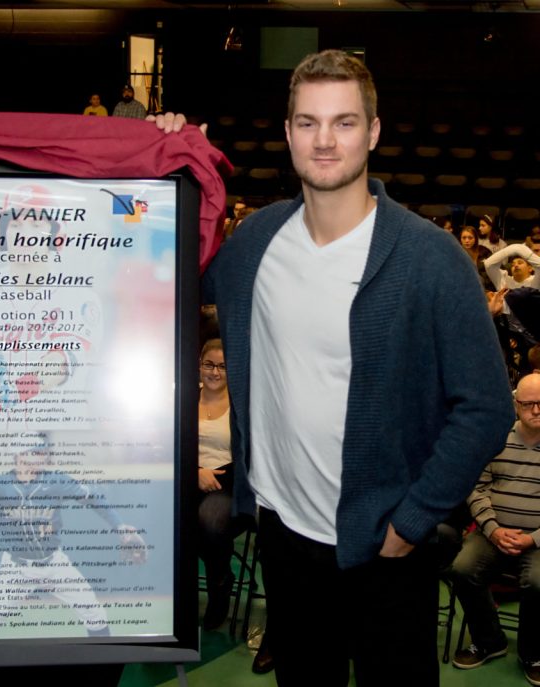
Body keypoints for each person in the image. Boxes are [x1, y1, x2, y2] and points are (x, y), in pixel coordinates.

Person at [153, 49, 514, 686]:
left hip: (386, 547)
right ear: (288, 131)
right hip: (284, 537)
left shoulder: (430, 260)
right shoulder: (255, 245)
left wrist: (414, 518)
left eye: (344, 122)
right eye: (308, 122)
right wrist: (167, 158)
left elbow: (486, 406)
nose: (324, 141)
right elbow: (169, 262)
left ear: (373, 132)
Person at [0, 435, 146, 640]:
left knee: (95, 615)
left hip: (55, 565)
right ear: (20, 456)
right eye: (37, 452)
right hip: (16, 570)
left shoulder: (55, 481)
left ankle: (106, 664)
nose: (43, 456)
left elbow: (93, 498)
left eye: (44, 452)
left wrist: (119, 525)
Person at [450, 374, 540, 685]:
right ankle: (490, 641)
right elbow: (477, 487)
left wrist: (533, 538)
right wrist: (493, 529)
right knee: (462, 569)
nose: (536, 410)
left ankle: (532, 653)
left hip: (538, 540)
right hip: (493, 532)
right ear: (516, 406)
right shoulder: (495, 438)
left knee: (539, 582)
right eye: (528, 404)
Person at [197, 338, 235, 630]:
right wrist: (196, 470)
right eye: (209, 364)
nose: (215, 372)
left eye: (222, 366)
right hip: (188, 477)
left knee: (209, 520)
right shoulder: (183, 398)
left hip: (226, 481)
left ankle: (220, 587)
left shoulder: (239, 406)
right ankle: (175, 599)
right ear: (199, 366)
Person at [459, 225, 492, 289]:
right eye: (464, 238)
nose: (467, 241)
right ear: (460, 239)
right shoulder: (457, 253)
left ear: (475, 239)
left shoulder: (484, 251)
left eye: (470, 238)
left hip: (486, 285)